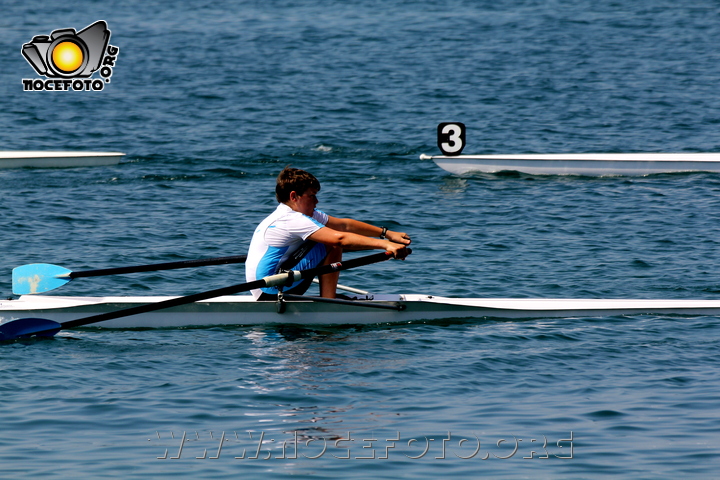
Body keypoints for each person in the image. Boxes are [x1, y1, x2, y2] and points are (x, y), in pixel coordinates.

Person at [246, 167, 411, 300]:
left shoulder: (300, 214)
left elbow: (344, 225)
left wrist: (387, 233)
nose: (317, 202)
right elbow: (340, 238)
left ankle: (327, 296)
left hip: (266, 285)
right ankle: (329, 300)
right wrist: (386, 245)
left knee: (331, 237)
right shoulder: (291, 219)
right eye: (312, 196)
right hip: (271, 289)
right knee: (332, 242)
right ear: (294, 196)